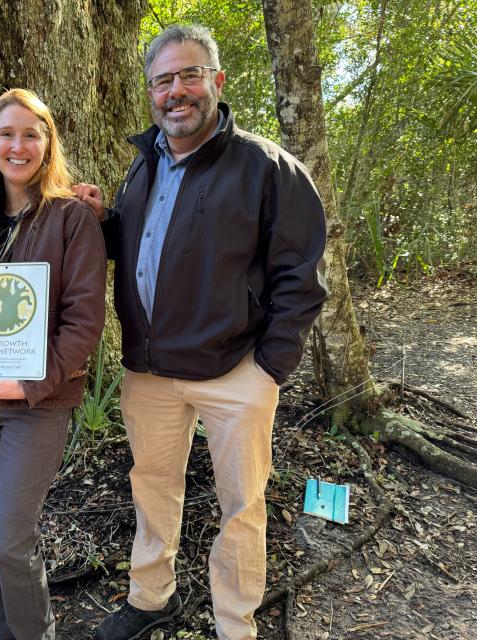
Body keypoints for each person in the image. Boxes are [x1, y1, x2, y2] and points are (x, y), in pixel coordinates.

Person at [74, 24, 328, 640]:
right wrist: (96, 220)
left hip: (234, 372)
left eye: (189, 76)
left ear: (215, 81)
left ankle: (234, 623)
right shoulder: (144, 167)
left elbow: (303, 271)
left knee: (241, 509)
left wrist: (268, 366)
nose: (176, 92)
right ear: (152, 95)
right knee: (151, 489)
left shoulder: (266, 167)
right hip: (151, 372)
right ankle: (151, 595)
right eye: (163, 81)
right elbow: (144, 248)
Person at [0, 88, 106, 640]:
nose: (18, 145)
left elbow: (85, 323)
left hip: (38, 403)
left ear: (48, 144)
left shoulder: (71, 218)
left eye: (31, 134)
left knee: (12, 537)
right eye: (6, 133)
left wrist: (28, 382)